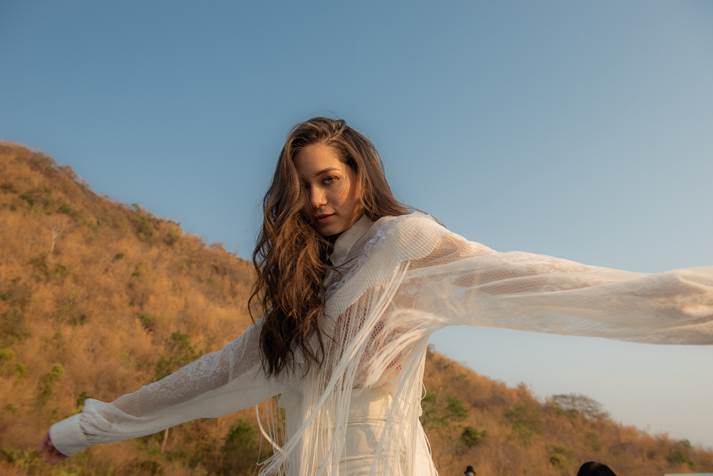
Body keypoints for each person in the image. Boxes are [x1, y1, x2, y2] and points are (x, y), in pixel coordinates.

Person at [41, 117, 713, 475]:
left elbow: (535, 282)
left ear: (360, 174)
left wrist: (693, 304)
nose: (316, 200)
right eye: (303, 187)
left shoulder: (406, 244)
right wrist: (84, 430)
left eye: (328, 179)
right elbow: (212, 375)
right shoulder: (301, 294)